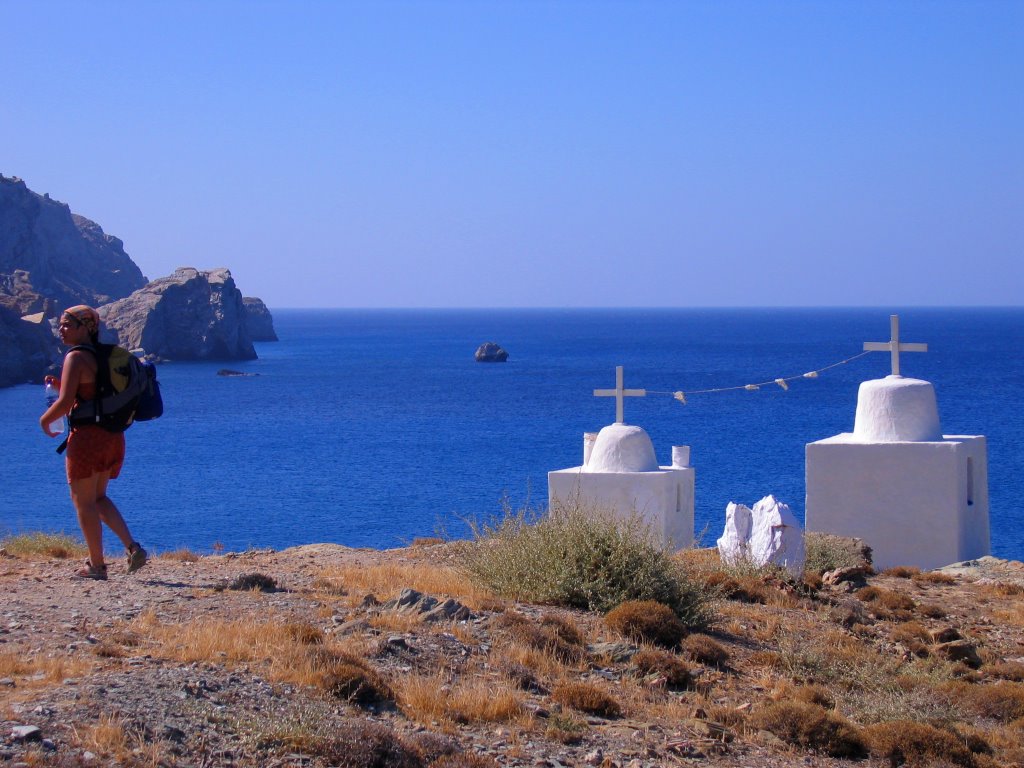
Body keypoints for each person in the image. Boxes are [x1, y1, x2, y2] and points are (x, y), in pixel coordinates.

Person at [39, 305, 147, 580]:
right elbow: (92, 392)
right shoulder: (103, 355)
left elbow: (64, 404)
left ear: (85, 327)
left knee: (82, 502)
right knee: (98, 498)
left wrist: (44, 421)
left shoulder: (75, 357)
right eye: (61, 324)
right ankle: (133, 548)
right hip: (112, 436)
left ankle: (96, 566)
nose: (61, 329)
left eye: (67, 324)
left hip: (87, 440)